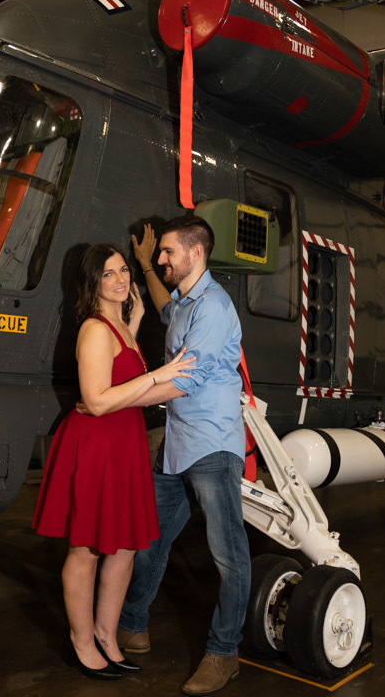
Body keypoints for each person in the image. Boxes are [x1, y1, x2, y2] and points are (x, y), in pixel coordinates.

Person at [31, 243, 195, 680]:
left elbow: (131, 392)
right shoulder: (93, 329)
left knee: (122, 548)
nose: (122, 279)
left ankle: (106, 635)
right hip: (96, 445)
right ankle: (81, 642)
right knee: (86, 549)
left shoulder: (120, 327)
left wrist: (137, 328)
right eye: (109, 274)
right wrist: (157, 374)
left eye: (124, 270)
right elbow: (98, 403)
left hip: (124, 445)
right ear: (92, 282)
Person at [116, 216, 250, 695]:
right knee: (150, 539)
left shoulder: (214, 307)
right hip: (177, 444)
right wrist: (145, 271)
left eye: (168, 252)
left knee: (228, 556)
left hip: (212, 445)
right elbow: (165, 311)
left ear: (196, 253)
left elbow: (185, 380)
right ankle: (132, 624)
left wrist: (115, 399)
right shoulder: (187, 303)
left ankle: (224, 652)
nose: (162, 259)